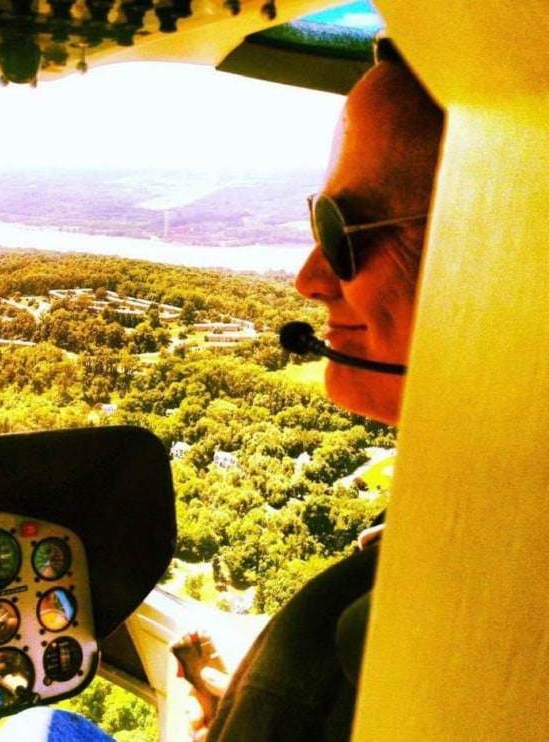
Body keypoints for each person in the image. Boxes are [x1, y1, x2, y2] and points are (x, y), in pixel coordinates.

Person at [187, 38, 445, 741]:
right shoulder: (440, 551)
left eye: (341, 232)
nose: (308, 278)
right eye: (317, 219)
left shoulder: (337, 661)